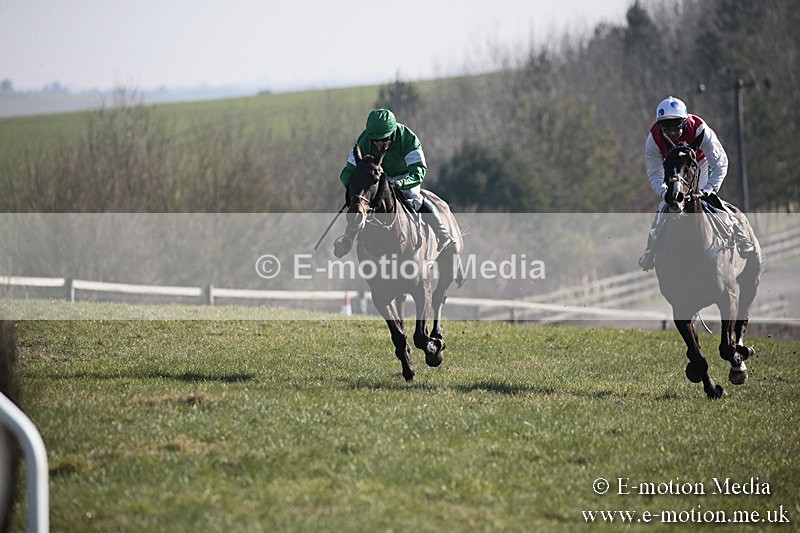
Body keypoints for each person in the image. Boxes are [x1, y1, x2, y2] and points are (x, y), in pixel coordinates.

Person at [638, 96, 756, 270]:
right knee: (664, 207)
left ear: (684, 123)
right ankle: (651, 249)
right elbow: (655, 173)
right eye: (666, 128)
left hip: (698, 165)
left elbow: (720, 162)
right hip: (674, 169)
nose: (671, 133)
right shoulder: (653, 139)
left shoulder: (700, 130)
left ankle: (739, 235)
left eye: (675, 127)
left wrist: (709, 189)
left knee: (708, 201)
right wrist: (665, 193)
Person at [333, 108, 454, 258]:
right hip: (377, 177)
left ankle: (443, 235)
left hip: (405, 176)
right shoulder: (364, 140)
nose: (378, 144)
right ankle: (347, 240)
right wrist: (356, 189)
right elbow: (347, 173)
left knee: (414, 196)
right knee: (360, 202)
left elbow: (419, 171)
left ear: (393, 133)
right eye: (375, 140)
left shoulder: (408, 140)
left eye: (383, 139)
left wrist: (402, 183)